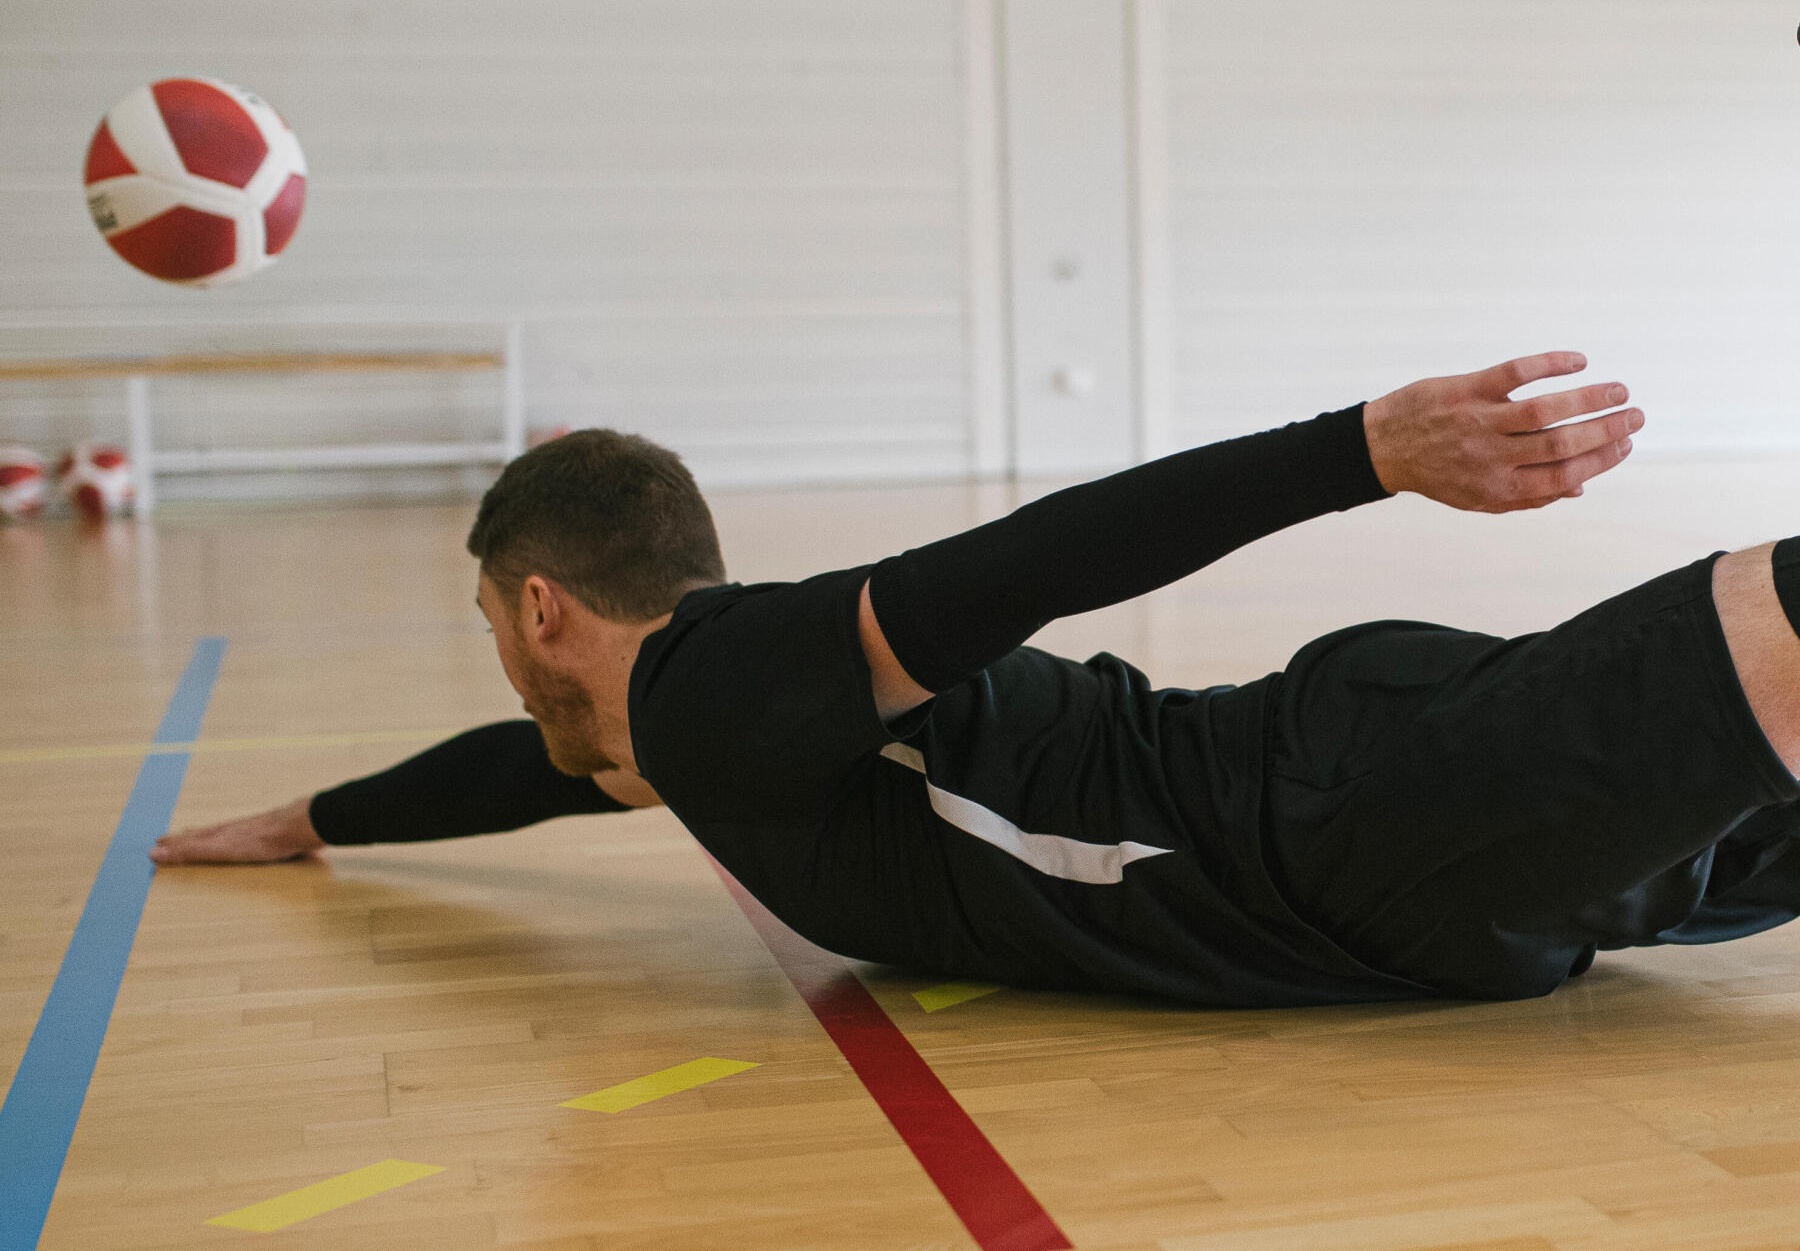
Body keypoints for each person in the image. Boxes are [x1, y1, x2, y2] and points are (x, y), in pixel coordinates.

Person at [150, 353, 1800, 1007]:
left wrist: (1359, 450)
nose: (505, 676)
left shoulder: (722, 691)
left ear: (539, 605)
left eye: (497, 639)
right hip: (1401, 892)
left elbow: (1027, 563)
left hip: (1325, 820)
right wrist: (310, 817)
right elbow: (528, 769)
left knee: (1768, 626)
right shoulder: (692, 725)